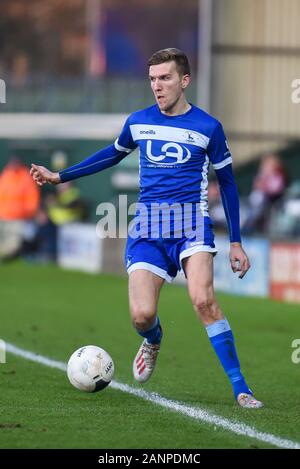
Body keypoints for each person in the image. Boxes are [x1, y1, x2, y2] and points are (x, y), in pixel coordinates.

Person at [30, 48, 262, 408]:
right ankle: (153, 339)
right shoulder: (138, 121)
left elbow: (229, 184)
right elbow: (110, 154)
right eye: (152, 79)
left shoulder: (208, 127)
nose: (157, 85)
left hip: (191, 226)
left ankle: (241, 387)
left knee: (203, 299)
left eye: (165, 78)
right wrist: (60, 176)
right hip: (148, 228)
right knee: (141, 316)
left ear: (184, 81)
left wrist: (236, 242)